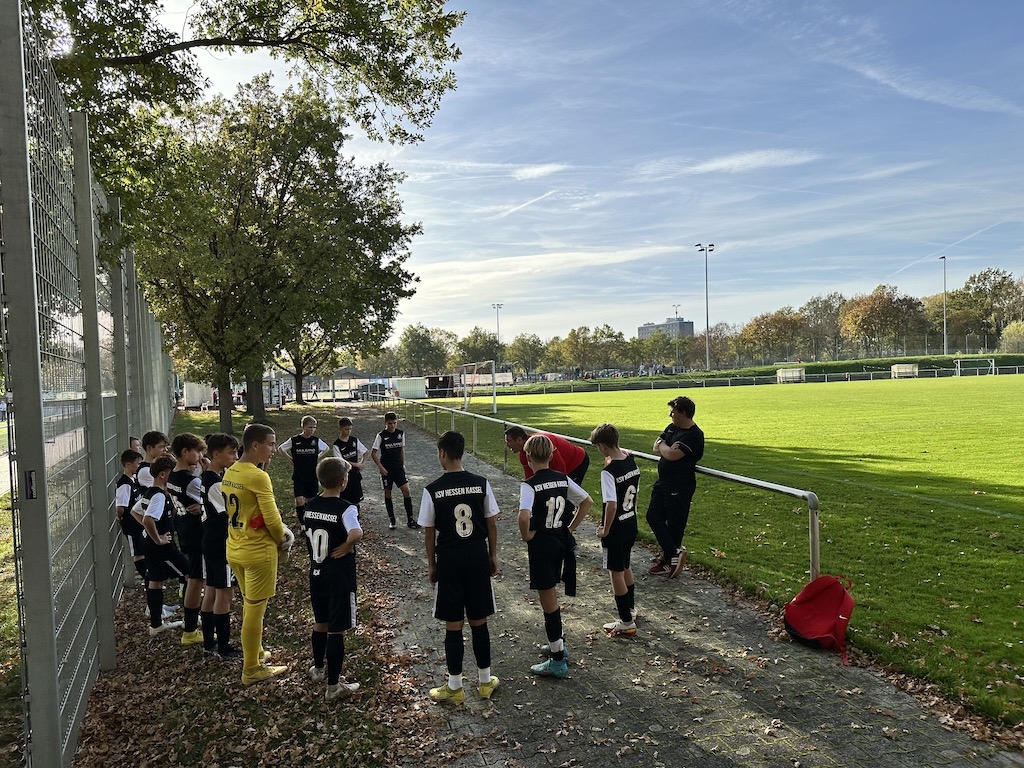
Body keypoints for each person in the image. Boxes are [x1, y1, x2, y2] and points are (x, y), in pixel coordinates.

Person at [419, 431, 500, 703]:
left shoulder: (432, 490)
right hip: (477, 554)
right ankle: (485, 682)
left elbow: (429, 533)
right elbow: (491, 523)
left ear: (442, 453)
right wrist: (493, 555)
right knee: (479, 620)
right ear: (462, 452)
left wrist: (432, 565)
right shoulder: (481, 483)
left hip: (450, 559)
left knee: (453, 624)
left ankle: (455, 687)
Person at [223, 423, 294, 685]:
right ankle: (251, 668)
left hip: (235, 548)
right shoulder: (258, 476)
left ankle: (257, 651)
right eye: (271, 444)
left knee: (249, 604)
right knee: (255, 609)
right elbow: (273, 520)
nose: (274, 450)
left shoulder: (231, 471)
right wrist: (283, 540)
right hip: (257, 552)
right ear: (255, 445)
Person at [518, 435, 592, 679]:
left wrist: (527, 535)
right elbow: (587, 502)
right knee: (551, 597)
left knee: (548, 602)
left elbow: (523, 516)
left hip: (542, 545)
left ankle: (558, 659)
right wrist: (569, 528)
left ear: (528, 457)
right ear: (551, 455)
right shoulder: (562, 478)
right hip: (560, 541)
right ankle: (556, 642)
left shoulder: (529, 485)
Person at [301, 457, 362, 700]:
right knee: (336, 630)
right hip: (338, 576)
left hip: (317, 572)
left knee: (320, 622)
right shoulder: (346, 508)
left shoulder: (310, 506)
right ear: (343, 481)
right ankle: (334, 686)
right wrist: (347, 546)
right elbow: (356, 532)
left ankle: (318, 669)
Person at [646, 396, 705, 578]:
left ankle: (668, 561)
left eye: (673, 412)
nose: (670, 415)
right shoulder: (672, 428)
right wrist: (666, 446)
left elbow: (672, 456)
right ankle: (674, 553)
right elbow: (656, 448)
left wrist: (664, 445)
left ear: (684, 413)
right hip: (663, 482)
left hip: (680, 485)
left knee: (675, 524)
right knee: (653, 516)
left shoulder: (694, 435)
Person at [590, 423, 639, 636]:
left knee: (615, 572)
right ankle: (631, 609)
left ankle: (626, 622)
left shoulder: (608, 473)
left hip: (616, 527)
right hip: (631, 521)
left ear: (602, 446)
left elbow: (611, 504)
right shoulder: (631, 462)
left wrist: (605, 530)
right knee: (626, 565)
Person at [199, 433, 242, 660]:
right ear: (216, 454)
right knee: (224, 594)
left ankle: (209, 643)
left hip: (210, 541)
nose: (235, 457)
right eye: (231, 453)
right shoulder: (214, 483)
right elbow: (228, 514)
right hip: (219, 544)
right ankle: (224, 647)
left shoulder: (212, 476)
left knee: (212, 590)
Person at [133, 456, 187, 636]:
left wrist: (150, 532)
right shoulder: (158, 496)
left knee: (155, 581)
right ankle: (191, 619)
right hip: (162, 548)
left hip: (149, 545)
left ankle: (156, 625)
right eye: (172, 473)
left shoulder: (151, 492)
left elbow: (136, 511)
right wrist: (158, 538)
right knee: (191, 574)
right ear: (163, 475)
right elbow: (148, 519)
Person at [168, 433, 208, 646]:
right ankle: (190, 630)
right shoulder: (192, 481)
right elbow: (213, 499)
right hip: (196, 533)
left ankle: (191, 624)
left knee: (194, 578)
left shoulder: (173, 476)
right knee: (196, 580)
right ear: (185, 452)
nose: (200, 456)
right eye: (197, 451)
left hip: (184, 529)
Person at [370, 411, 419, 530]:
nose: (392, 426)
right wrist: (381, 468)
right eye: (389, 423)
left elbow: (402, 449)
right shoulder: (381, 436)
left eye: (394, 423)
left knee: (406, 491)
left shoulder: (400, 434)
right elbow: (373, 453)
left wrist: (403, 464)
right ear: (385, 423)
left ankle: (410, 519)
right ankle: (392, 520)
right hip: (386, 470)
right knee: (388, 492)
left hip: (398, 468)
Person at [278, 415, 330, 521]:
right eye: (310, 427)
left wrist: (317, 457)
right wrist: (291, 460)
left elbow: (326, 448)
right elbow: (281, 449)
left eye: (314, 427)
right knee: (299, 500)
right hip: (299, 475)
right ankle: (302, 522)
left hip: (312, 474)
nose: (312, 430)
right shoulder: (294, 440)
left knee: (311, 500)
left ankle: (309, 520)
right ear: (303, 427)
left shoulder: (315, 441)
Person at [503, 426, 590, 484]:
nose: (506, 445)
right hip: (565, 464)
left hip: (578, 461)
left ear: (519, 440)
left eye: (508, 441)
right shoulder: (523, 454)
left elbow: (560, 470)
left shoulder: (542, 443)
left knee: (568, 497)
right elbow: (530, 477)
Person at [114, 448, 147, 585]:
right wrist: (120, 517)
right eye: (137, 464)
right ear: (128, 465)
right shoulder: (124, 484)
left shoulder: (133, 481)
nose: (139, 466)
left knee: (142, 550)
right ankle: (147, 578)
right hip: (131, 524)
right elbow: (120, 507)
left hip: (138, 523)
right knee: (137, 553)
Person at [332, 417, 367, 510]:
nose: (349, 431)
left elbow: (365, 452)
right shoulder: (337, 445)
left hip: (355, 475)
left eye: (350, 429)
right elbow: (341, 461)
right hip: (344, 476)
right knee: (345, 501)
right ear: (340, 429)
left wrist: (362, 463)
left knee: (356, 501)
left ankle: (357, 517)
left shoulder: (354, 440)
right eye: (346, 429)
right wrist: (356, 464)